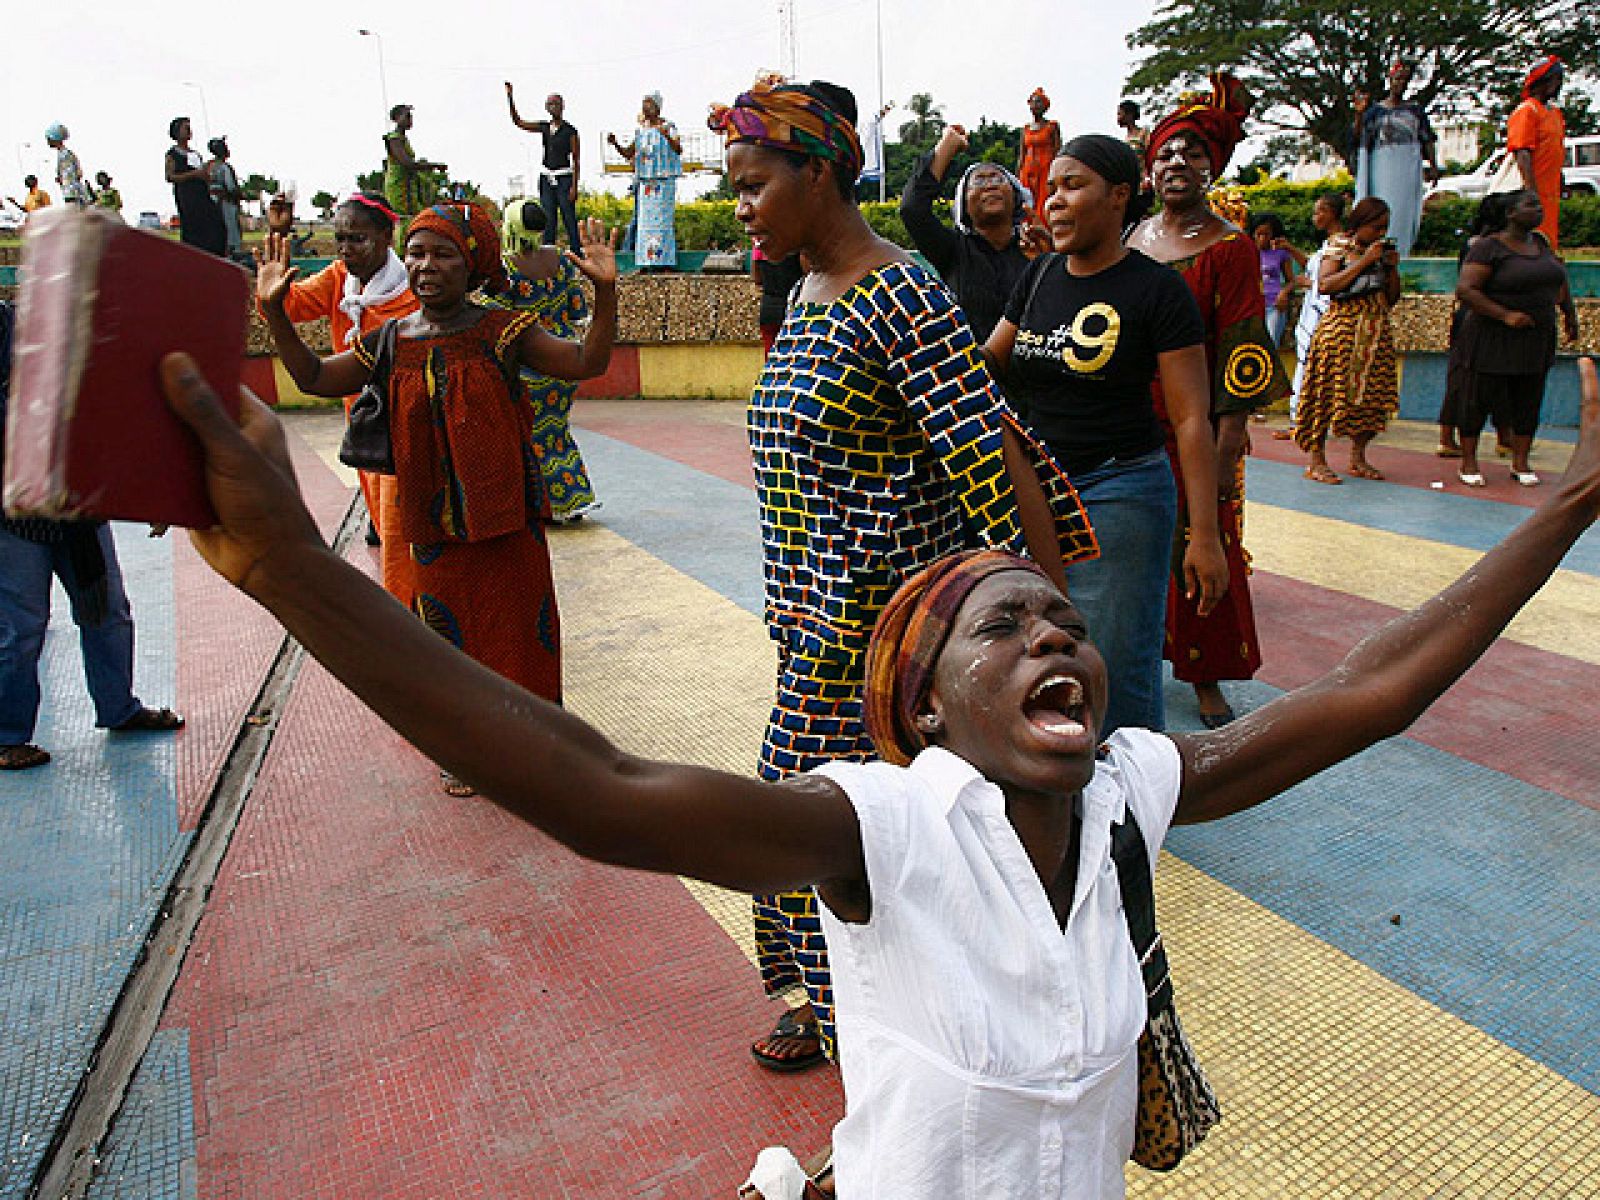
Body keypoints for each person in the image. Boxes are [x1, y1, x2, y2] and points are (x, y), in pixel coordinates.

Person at [162, 322, 1600, 1199]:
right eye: (999, 629)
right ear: (921, 712)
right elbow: (600, 792)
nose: (1057, 637)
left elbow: (1375, 688)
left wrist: (1583, 489)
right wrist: (297, 570)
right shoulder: (879, 832)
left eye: (1064, 622)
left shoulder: (1126, 795)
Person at [708, 74, 1098, 1074]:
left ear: (821, 170)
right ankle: (835, 1011)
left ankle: (880, 1045)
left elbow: (987, 456)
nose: (740, 206)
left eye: (753, 184)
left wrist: (1048, 628)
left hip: (889, 639)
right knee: (819, 835)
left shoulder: (901, 293)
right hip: (813, 628)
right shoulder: (806, 290)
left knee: (831, 838)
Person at [255, 203, 618, 793]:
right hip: (430, 527)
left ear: (472, 263)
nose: (425, 266)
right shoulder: (390, 339)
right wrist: (275, 312)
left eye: (443, 253)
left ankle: (538, 756)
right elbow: (317, 378)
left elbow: (586, 361)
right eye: (417, 253)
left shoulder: (505, 330)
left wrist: (605, 295)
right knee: (448, 649)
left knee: (522, 641)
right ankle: (469, 755)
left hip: (507, 520)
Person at [985, 135, 1227, 738]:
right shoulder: (1038, 276)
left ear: (1120, 196)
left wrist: (1205, 535)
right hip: (1033, 492)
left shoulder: (1157, 290)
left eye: (1073, 186)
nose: (1054, 202)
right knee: (1033, 654)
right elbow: (991, 360)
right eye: (1051, 189)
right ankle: (1058, 787)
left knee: (1115, 665)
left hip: (1119, 491)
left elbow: (1193, 419)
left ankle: (1129, 808)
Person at [1130, 74, 1287, 729]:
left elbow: (1244, 351)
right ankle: (1133, 664)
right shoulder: (1130, 239)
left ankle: (1205, 678)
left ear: (1212, 167)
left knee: (1205, 544)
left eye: (1192, 154)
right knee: (1131, 551)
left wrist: (1227, 443)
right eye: (1166, 152)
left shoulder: (1230, 247)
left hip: (1198, 431)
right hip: (1129, 431)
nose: (1177, 164)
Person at [0, 301, 184, 772]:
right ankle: (8, 737)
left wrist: (151, 496)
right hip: (17, 517)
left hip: (79, 515)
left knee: (107, 614)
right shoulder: (12, 333)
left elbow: (123, 431)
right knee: (21, 629)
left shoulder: (93, 358)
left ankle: (118, 708)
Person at [265, 192, 419, 545]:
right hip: (363, 430)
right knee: (385, 528)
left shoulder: (413, 294)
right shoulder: (339, 280)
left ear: (387, 237)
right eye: (340, 239)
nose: (346, 249)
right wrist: (279, 240)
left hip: (404, 437)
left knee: (399, 540)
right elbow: (291, 305)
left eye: (357, 239)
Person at [480, 198, 602, 523]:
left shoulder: (507, 268)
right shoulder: (560, 260)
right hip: (564, 359)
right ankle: (572, 499)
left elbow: (490, 315)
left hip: (528, 362)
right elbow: (578, 309)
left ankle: (544, 505)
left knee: (530, 434)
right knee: (557, 431)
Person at [1452, 190, 1580, 488]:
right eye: (1530, 205)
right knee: (1478, 397)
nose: (1538, 210)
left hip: (1536, 335)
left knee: (1528, 397)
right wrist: (1505, 315)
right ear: (1510, 213)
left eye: (1539, 205)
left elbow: (1559, 281)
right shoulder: (1488, 248)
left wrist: (1569, 314)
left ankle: (1520, 462)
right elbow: (1467, 290)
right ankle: (1469, 462)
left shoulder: (1541, 244)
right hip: (1492, 336)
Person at [898, 122, 1041, 342]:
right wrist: (946, 147)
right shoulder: (952, 250)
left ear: (1017, 197)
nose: (989, 186)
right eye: (979, 181)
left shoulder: (1035, 250)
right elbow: (913, 209)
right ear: (963, 204)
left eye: (997, 179)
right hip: (970, 371)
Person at [1293, 196, 1401, 484]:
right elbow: (1327, 285)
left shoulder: (1381, 252)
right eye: (1376, 227)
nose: (1380, 234)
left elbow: (1391, 299)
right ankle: (1316, 460)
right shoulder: (1339, 246)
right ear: (1360, 223)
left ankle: (1358, 456)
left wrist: (1391, 268)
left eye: (1384, 228)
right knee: (1325, 397)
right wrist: (1365, 261)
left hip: (1374, 332)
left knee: (1374, 397)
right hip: (1341, 330)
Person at [1351, 61, 1438, 259]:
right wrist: (1359, 114)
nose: (1400, 84)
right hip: (1381, 169)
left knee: (1404, 212)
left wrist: (1433, 165)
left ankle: (1401, 252)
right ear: (1390, 80)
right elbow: (1358, 138)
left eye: (1404, 80)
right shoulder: (1375, 112)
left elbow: (1427, 139)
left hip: (1407, 167)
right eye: (1397, 79)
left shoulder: (1415, 111)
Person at [1277, 192, 1346, 442]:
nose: (1315, 217)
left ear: (1332, 213)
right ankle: (1300, 419)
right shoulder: (1328, 244)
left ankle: (1304, 422)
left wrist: (1311, 283)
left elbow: (1327, 281)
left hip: (1321, 314)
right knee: (1304, 367)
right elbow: (1312, 267)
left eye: (1320, 211)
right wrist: (1290, 250)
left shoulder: (1340, 245)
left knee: (1310, 370)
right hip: (1311, 312)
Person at [504, 84, 582, 253]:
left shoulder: (570, 131)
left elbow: (576, 160)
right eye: (550, 104)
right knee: (548, 218)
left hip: (564, 178)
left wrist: (574, 186)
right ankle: (548, 252)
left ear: (562, 107)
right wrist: (510, 98)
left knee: (568, 217)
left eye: (556, 104)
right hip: (546, 177)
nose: (553, 107)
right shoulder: (544, 127)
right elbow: (518, 122)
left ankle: (577, 251)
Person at [609, 93, 682, 271]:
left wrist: (667, 136)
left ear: (657, 108)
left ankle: (664, 263)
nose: (645, 108)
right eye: (643, 104)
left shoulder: (668, 127)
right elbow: (629, 153)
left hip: (663, 181)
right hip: (646, 183)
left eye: (648, 104)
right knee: (645, 225)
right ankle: (645, 261)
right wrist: (616, 144)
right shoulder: (641, 131)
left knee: (663, 224)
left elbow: (678, 149)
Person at [1508, 56, 1566, 251]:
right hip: (1533, 191)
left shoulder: (1555, 113)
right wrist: (1531, 191)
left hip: (1550, 191)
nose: (1558, 85)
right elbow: (1522, 151)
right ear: (1541, 81)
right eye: (1555, 80)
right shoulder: (1527, 111)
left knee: (1547, 242)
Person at [165, 117, 226, 255]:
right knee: (193, 227)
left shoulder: (195, 154)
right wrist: (193, 175)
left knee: (214, 223)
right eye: (185, 128)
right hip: (187, 196)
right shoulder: (173, 154)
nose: (189, 131)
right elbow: (170, 176)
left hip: (202, 194)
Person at [383, 104, 448, 219]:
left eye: (411, 117)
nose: (410, 120)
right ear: (397, 118)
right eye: (407, 116)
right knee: (405, 220)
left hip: (408, 186)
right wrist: (435, 166)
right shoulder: (394, 138)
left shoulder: (403, 139)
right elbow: (407, 163)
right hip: (399, 186)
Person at [1252, 214, 1302, 347]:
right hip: (1255, 305)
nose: (1262, 239)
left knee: (1271, 343)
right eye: (1259, 234)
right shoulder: (1249, 252)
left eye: (1266, 234)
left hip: (1274, 304)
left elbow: (1292, 280)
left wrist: (1284, 293)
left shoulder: (1280, 253)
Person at [1017, 88, 1061, 225]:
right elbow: (1022, 153)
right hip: (1028, 170)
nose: (1036, 105)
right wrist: (1018, 174)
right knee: (1027, 202)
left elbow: (1057, 150)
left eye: (1039, 103)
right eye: (1034, 102)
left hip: (1046, 170)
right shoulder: (1026, 129)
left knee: (1044, 202)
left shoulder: (1051, 126)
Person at [750, 242, 804, 354]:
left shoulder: (760, 243)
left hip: (769, 310)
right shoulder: (796, 242)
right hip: (795, 311)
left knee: (771, 358)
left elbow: (757, 278)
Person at [206, 137, 243, 259]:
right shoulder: (225, 168)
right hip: (226, 204)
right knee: (231, 233)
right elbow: (231, 188)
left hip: (211, 205)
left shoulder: (207, 166)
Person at [46, 124, 93, 207]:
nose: (48, 141)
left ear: (55, 138)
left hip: (73, 195)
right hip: (75, 193)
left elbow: (69, 178)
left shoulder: (64, 155)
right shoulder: (65, 153)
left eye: (49, 139)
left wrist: (69, 197)